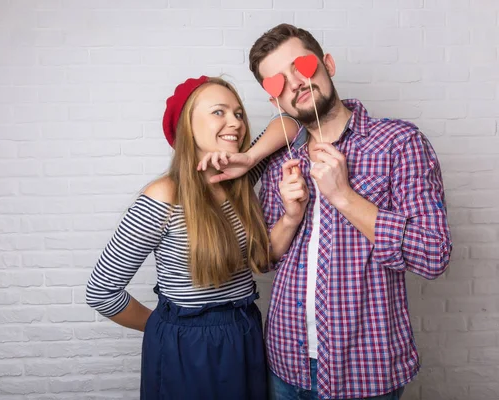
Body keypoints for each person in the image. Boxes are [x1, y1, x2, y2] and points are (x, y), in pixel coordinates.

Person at [199, 24, 453, 400]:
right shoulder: (279, 160)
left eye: (301, 65)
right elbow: (265, 260)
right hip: (288, 365)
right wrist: (290, 216)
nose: (296, 83)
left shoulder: (399, 143)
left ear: (327, 63)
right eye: (277, 83)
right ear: (274, 101)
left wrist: (345, 196)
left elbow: (433, 255)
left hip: (368, 366)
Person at [85, 75, 299, 400]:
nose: (235, 123)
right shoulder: (163, 196)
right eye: (219, 112)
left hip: (246, 333)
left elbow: (289, 123)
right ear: (188, 124)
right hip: (188, 347)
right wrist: (168, 331)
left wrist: (251, 159)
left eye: (238, 113)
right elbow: (101, 292)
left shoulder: (238, 181)